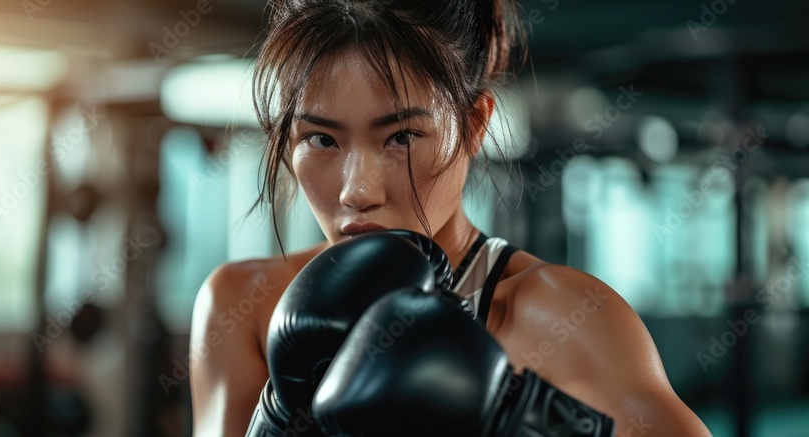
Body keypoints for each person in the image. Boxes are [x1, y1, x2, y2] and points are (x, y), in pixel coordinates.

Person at [190, 0, 711, 435]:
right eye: (321, 139)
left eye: (401, 138)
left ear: (474, 125)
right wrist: (277, 418)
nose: (358, 190)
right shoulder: (242, 306)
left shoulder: (561, 319)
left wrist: (529, 420)